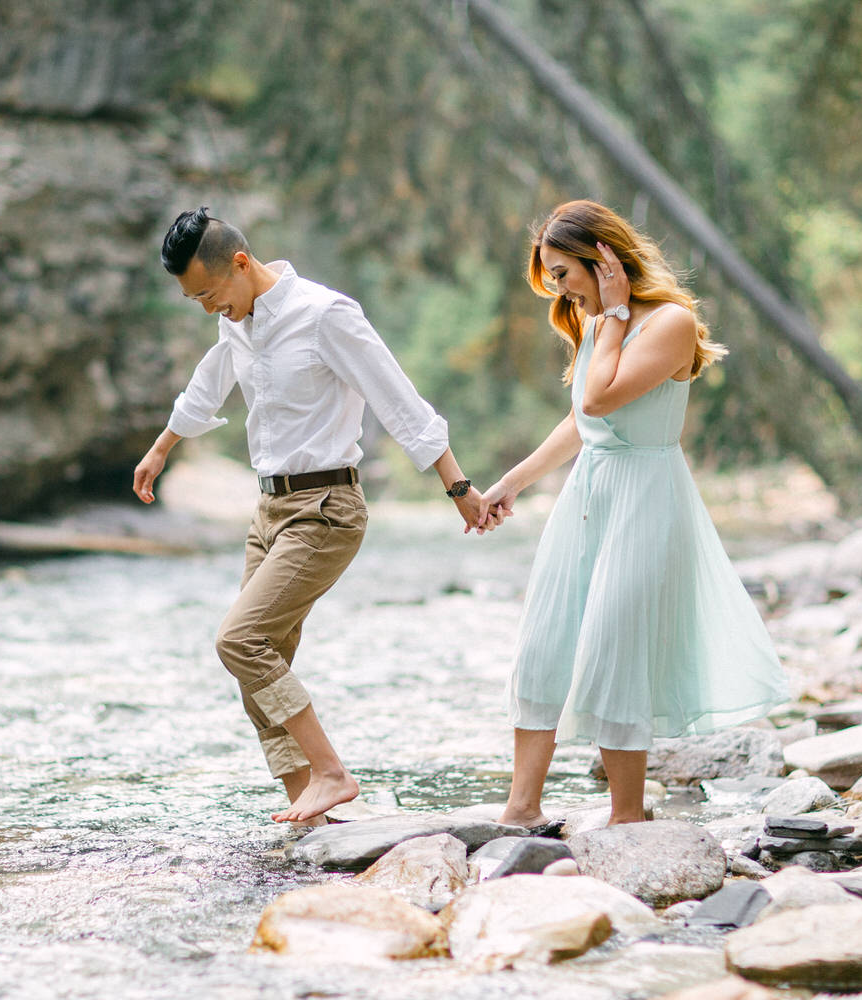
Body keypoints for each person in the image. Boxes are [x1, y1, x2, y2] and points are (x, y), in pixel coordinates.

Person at [134, 206, 491, 824]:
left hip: (326, 508)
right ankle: (308, 807)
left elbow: (396, 398)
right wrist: (162, 447)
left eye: (210, 293)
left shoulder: (326, 315)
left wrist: (458, 487)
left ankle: (332, 775)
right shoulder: (237, 323)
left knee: (240, 641)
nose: (207, 308)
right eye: (195, 300)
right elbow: (208, 382)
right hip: (268, 509)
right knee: (261, 666)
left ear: (241, 264)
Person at [481, 199, 789, 828]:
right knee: (544, 640)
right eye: (551, 277)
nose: (559, 290)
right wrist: (512, 482)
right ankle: (521, 808)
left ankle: (628, 817)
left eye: (564, 272)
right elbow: (579, 425)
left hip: (647, 495)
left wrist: (616, 318)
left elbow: (597, 399)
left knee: (617, 643)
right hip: (588, 494)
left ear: (605, 260)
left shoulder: (667, 322)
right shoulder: (598, 322)